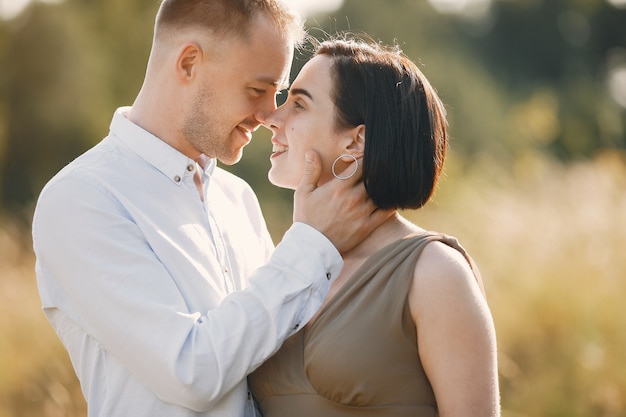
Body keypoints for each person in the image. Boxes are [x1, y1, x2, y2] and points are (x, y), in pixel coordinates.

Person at [31, 2, 389, 417]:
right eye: (257, 90)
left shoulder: (238, 199)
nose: (269, 115)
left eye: (277, 93)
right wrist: (311, 243)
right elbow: (191, 373)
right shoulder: (83, 200)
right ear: (188, 63)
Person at [248, 36, 501, 417]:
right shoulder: (283, 261)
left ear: (357, 140)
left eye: (298, 104)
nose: (271, 118)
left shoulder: (435, 274)